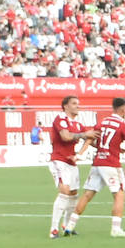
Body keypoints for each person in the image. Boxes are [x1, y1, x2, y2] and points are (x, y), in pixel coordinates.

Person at [63, 97, 125, 238]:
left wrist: (80, 153)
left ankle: (69, 226)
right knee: (119, 194)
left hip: (97, 163)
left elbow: (90, 138)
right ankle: (116, 229)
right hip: (111, 164)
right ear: (123, 109)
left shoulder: (102, 122)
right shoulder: (124, 126)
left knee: (88, 194)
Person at [47, 95, 98, 238]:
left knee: (74, 194)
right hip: (59, 160)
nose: (78, 106)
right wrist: (84, 134)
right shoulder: (60, 119)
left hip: (71, 162)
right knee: (65, 192)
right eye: (74, 103)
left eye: (78, 103)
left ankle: (67, 225)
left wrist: (108, 146)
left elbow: (90, 139)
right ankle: (53, 229)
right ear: (66, 106)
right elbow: (65, 137)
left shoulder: (77, 124)